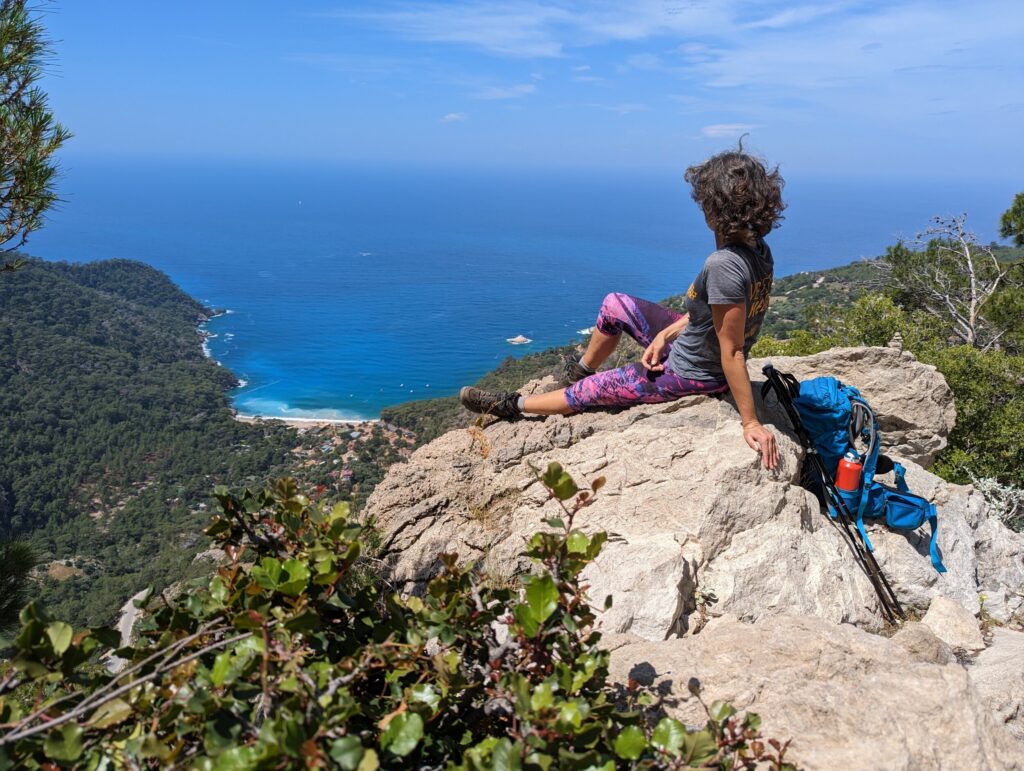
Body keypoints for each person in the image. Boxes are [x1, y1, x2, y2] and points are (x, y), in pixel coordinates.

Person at [459, 148, 785, 470]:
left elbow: (732, 350)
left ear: (716, 205)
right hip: (692, 346)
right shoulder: (757, 249)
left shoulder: (724, 264)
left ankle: (511, 404)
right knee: (614, 304)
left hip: (694, 373)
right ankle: (582, 368)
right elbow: (710, 316)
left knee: (585, 394)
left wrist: (750, 422)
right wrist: (664, 336)